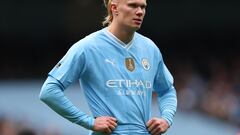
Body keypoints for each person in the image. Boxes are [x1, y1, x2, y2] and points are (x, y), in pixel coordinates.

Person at [39, 0, 177, 134]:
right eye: (133, 5)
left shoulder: (150, 48)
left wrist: (166, 119)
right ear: (114, 8)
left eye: (143, 7)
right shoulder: (87, 47)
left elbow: (167, 90)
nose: (140, 12)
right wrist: (88, 122)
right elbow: (49, 91)